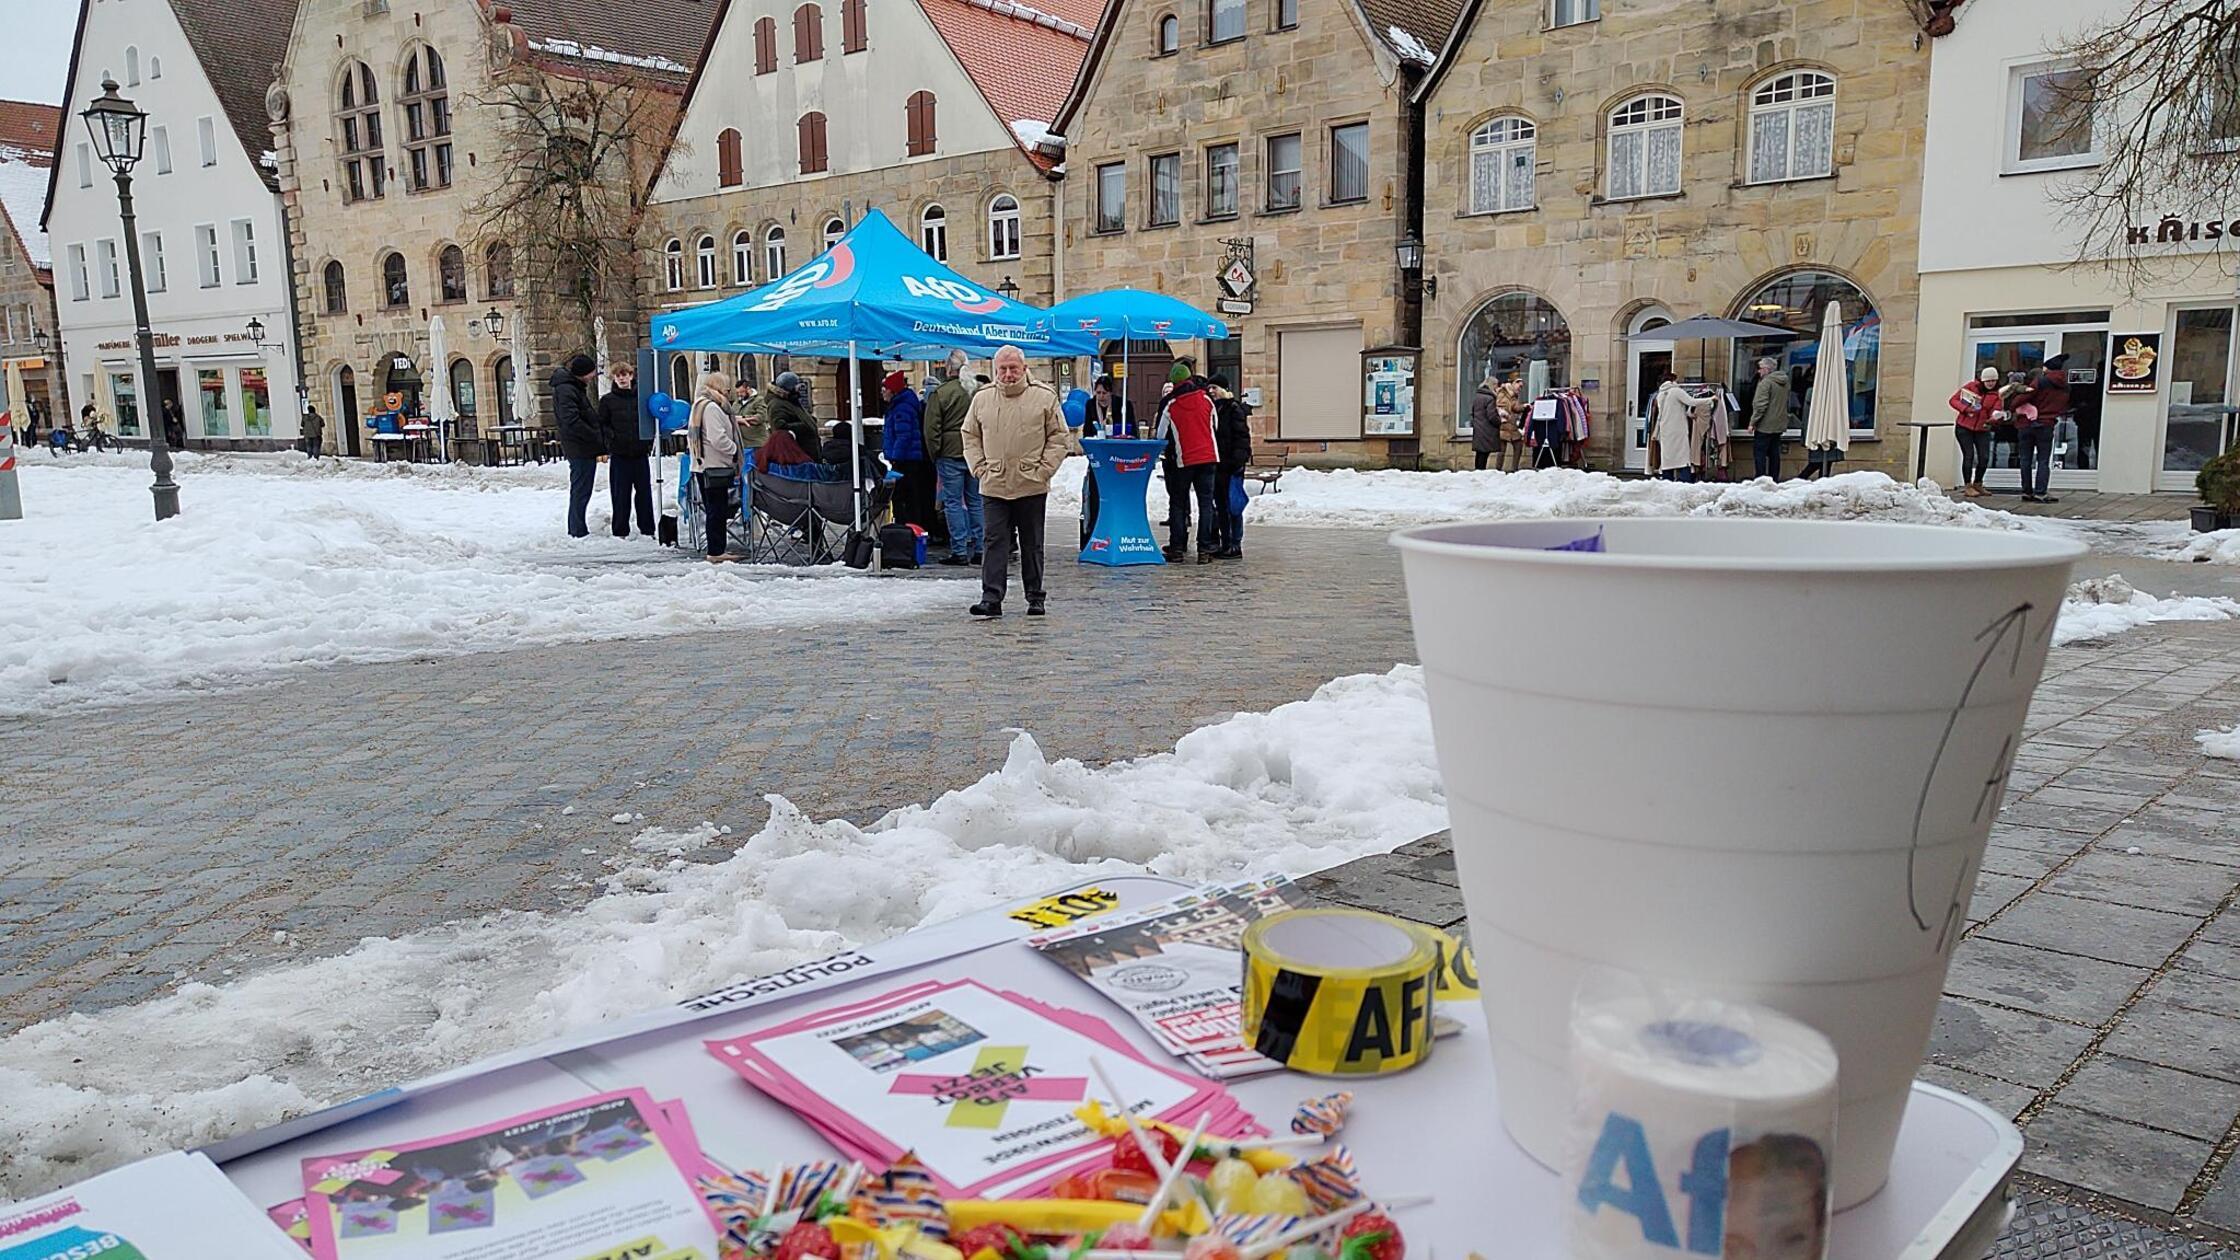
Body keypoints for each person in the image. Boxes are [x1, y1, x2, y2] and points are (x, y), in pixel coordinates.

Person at [962, 346, 1068, 617]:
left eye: (1013, 368)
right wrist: (980, 468)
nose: (1008, 374)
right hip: (994, 483)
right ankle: (991, 598)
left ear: (1024, 368)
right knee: (994, 541)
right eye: (1003, 369)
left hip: (1030, 482)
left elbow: (1058, 437)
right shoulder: (982, 398)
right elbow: (969, 435)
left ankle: (1035, 596)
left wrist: (1044, 470)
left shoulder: (1044, 397)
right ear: (995, 370)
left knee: (1032, 543)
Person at [1155, 360, 1220, 563]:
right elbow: (1215, 425)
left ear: (1174, 383)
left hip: (1185, 460)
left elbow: (1160, 436)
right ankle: (1204, 550)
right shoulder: (1206, 399)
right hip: (1209, 458)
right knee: (1206, 504)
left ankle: (1177, 548)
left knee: (1178, 503)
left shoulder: (1171, 406)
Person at [924, 350, 982, 565]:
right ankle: (980, 548)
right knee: (976, 502)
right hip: (974, 452)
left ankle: (958, 550)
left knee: (953, 503)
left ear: (949, 368)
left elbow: (931, 429)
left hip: (949, 453)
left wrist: (935, 453)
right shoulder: (977, 390)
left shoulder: (942, 392)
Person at [687, 369, 742, 560]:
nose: (728, 393)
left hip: (703, 465)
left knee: (714, 508)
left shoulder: (699, 405)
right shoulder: (711, 408)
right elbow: (717, 438)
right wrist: (735, 449)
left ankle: (716, 549)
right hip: (714, 465)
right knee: (716, 509)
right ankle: (716, 551)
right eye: (726, 389)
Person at [598, 363, 654, 538]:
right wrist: (611, 438)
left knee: (644, 493)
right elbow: (602, 424)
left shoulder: (642, 398)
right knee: (620, 495)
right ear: (614, 378)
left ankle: (647, 528)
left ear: (631, 376)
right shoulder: (607, 401)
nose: (622, 378)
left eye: (625, 375)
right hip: (620, 454)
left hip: (639, 452)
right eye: (618, 376)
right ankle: (620, 530)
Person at [551, 353, 604, 537]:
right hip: (579, 447)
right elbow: (571, 421)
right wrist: (593, 435)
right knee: (581, 489)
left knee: (582, 489)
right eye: (591, 373)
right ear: (583, 373)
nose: (593, 376)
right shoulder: (567, 390)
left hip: (581, 446)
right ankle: (577, 529)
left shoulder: (572, 387)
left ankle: (578, 527)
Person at [880, 370, 935, 531]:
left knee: (905, 498)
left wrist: (895, 458)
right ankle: (910, 529)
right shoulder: (902, 404)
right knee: (910, 496)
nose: (882, 392)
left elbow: (903, 435)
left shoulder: (901, 407)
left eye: (885, 389)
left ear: (893, 390)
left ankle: (907, 531)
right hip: (908, 458)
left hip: (905, 460)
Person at [1209, 373, 1252, 559]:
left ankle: (1235, 544)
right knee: (1221, 505)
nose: (1211, 391)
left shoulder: (1233, 409)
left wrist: (1237, 462)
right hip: (1218, 465)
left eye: (1215, 388)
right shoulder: (1213, 409)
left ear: (1224, 389)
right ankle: (1225, 542)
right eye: (1209, 388)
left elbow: (1242, 438)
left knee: (1233, 505)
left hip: (1231, 466)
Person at [2016, 355, 2069, 504]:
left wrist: (2013, 406)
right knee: (2043, 460)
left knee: (2025, 459)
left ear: (2047, 369)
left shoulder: (2040, 381)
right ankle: (2041, 492)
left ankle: (2027, 492)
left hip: (2027, 424)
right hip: (2047, 425)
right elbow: (2065, 405)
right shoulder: (2065, 386)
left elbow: (2023, 398)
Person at [1948, 366, 2001, 498]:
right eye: (1988, 381)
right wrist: (1966, 409)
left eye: (1993, 381)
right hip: (1964, 427)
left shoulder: (1997, 394)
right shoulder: (1971, 387)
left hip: (1982, 428)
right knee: (1969, 455)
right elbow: (1953, 400)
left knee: (1984, 457)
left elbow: (1996, 408)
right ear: (1982, 381)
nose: (1990, 384)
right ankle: (1967, 485)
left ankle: (1978, 483)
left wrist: (1994, 418)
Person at [1649, 373, 1712, 483]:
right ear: (1672, 381)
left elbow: (1666, 412)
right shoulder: (1676, 391)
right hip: (1678, 430)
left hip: (1665, 430)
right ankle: (1684, 481)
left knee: (1667, 460)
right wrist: (1710, 399)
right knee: (1683, 458)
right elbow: (1692, 402)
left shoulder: (1661, 394)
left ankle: (1667, 481)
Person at [1749, 356, 1792, 480]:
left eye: (1760, 368)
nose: (1758, 371)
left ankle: (1760, 479)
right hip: (1779, 423)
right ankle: (1774, 478)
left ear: (1767, 369)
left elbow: (1760, 405)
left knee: (1760, 453)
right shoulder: (1784, 381)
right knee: (1774, 454)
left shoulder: (1766, 382)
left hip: (1765, 424)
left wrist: (1752, 422)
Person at [763, 371, 820, 458]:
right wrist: (805, 426)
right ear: (789, 387)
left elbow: (797, 415)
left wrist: (810, 420)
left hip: (808, 452)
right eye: (796, 385)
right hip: (798, 454)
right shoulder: (777, 404)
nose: (799, 387)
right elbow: (779, 428)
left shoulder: (791, 399)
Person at [1469, 373, 1502, 470]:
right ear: (1493, 385)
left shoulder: (1477, 396)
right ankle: (1481, 473)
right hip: (1487, 430)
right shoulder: (1490, 398)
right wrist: (1500, 420)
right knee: (1484, 454)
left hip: (1478, 429)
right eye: (1496, 385)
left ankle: (1478, 472)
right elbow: (1491, 416)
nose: (1497, 388)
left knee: (1480, 454)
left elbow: (1473, 412)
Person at [1496, 372, 1528, 471]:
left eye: (1521, 387)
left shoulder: (1512, 394)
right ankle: (1498, 470)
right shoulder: (1503, 392)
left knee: (1518, 445)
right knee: (1502, 450)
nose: (1520, 388)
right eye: (1519, 386)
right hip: (1503, 426)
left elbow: (1514, 407)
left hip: (1511, 427)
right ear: (1513, 383)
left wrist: (1523, 407)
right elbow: (1503, 406)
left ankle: (1514, 468)